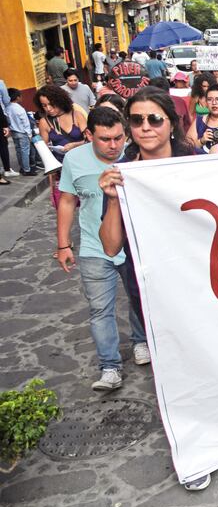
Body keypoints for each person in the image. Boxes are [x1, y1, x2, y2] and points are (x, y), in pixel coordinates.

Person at [97, 88, 210, 491]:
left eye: (154, 119)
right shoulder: (123, 173)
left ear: (170, 123)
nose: (145, 127)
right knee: (174, 369)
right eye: (137, 120)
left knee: (210, 358)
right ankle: (193, 450)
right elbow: (110, 245)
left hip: (203, 285)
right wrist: (112, 200)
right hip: (153, 292)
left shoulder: (195, 162)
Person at [57, 106, 148, 392]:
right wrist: (63, 244)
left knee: (139, 298)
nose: (114, 146)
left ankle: (141, 341)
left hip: (134, 246)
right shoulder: (74, 159)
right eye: (105, 139)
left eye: (119, 138)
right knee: (100, 309)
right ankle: (109, 366)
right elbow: (68, 201)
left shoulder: (137, 156)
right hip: (95, 249)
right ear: (88, 135)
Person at [36, 84, 88, 206]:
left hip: (82, 167)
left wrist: (74, 145)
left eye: (51, 104)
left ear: (60, 100)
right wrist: (52, 181)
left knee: (86, 204)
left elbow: (90, 140)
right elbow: (46, 152)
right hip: (62, 171)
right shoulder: (45, 122)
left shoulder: (76, 115)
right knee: (65, 205)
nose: (48, 109)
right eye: (44, 106)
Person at [6, 88, 37, 176]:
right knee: (25, 152)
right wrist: (29, 134)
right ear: (17, 97)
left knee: (18, 151)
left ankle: (22, 168)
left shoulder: (8, 108)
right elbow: (26, 123)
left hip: (14, 133)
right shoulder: (20, 109)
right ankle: (27, 170)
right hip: (23, 133)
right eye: (20, 96)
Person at [188, 82, 218, 149]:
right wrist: (201, 141)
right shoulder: (199, 121)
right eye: (209, 99)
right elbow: (187, 148)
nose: (214, 103)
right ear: (206, 103)